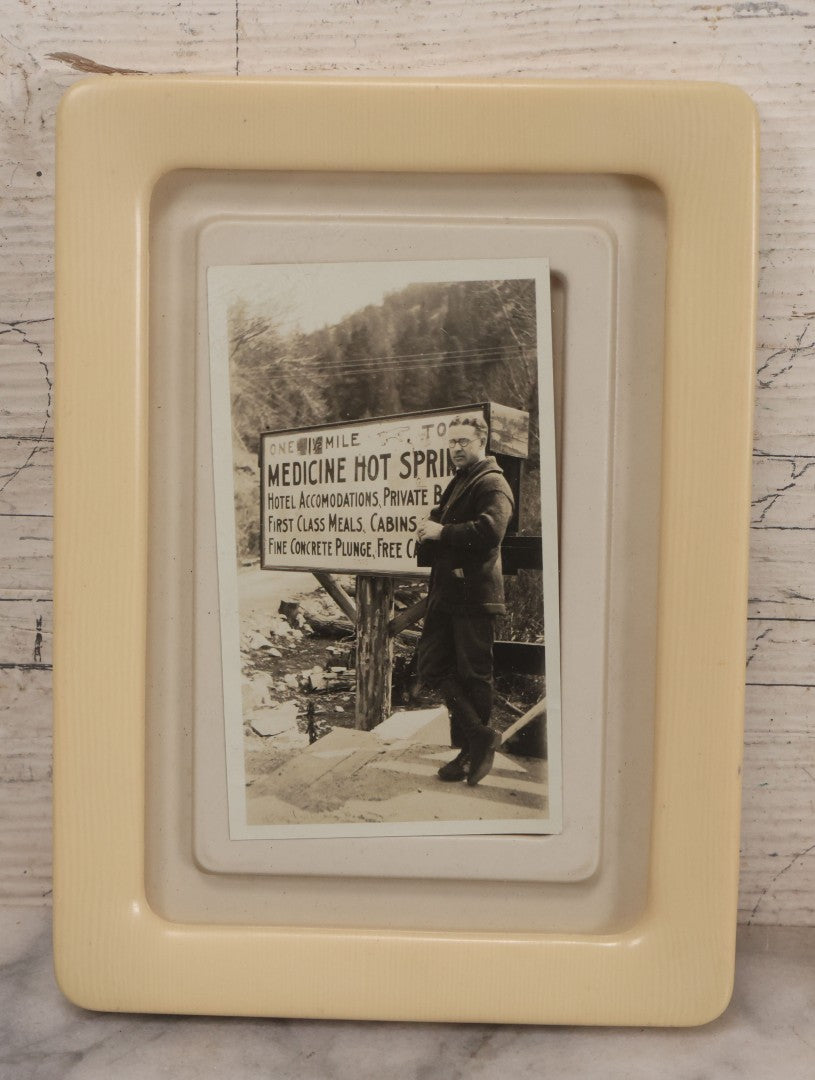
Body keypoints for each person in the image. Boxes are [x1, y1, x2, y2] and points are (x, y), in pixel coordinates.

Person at [416, 414, 514, 786]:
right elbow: (444, 522)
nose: (455, 449)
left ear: (481, 442)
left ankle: (468, 755)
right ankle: (478, 735)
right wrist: (429, 528)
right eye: (451, 442)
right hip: (448, 594)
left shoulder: (491, 482)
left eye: (463, 442)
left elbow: (491, 531)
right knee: (432, 666)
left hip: (474, 596)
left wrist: (442, 531)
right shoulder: (461, 481)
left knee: (474, 675)